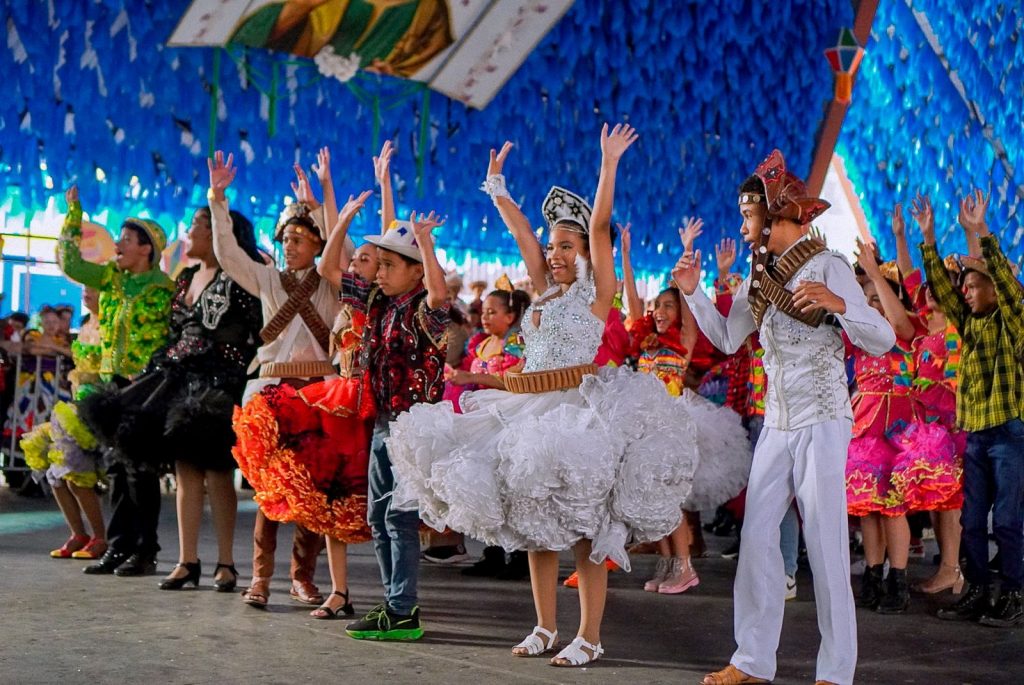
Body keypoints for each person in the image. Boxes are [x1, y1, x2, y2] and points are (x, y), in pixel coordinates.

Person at [386, 125, 701, 667]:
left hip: (577, 414)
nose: (554, 253)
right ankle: (544, 625)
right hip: (528, 409)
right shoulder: (545, 290)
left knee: (585, 529)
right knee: (536, 526)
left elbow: (600, 224)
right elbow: (521, 237)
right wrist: (497, 186)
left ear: (584, 254)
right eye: (551, 244)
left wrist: (607, 165)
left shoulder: (595, 293)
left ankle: (591, 634)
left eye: (566, 246)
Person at [675, 150, 895, 685]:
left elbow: (885, 339)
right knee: (755, 538)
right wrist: (694, 293)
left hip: (822, 416)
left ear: (780, 215)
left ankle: (836, 672)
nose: (745, 227)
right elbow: (728, 338)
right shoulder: (759, 278)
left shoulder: (828, 266)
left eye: (751, 216)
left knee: (823, 543)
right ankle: (752, 661)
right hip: (776, 420)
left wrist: (842, 307)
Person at [208, 151, 339, 609]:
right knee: (269, 487)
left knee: (313, 485)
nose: (291, 244)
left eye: (301, 238)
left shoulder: (332, 282)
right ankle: (261, 577)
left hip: (320, 390)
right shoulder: (266, 279)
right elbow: (227, 254)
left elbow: (338, 242)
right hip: (269, 388)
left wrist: (322, 194)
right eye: (286, 237)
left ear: (319, 243)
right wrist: (218, 200)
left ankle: (302, 576)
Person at [116, 204, 264, 592]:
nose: (189, 231)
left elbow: (258, 331)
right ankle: (187, 560)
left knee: (218, 472)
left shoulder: (240, 278)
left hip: (221, 383)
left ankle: (227, 563)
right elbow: (174, 331)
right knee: (185, 471)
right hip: (180, 380)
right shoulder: (183, 278)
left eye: (198, 224)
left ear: (219, 231)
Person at [337, 204, 451, 641]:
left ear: (415, 271)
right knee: (377, 516)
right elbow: (337, 270)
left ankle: (403, 608)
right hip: (383, 423)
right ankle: (393, 604)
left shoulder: (426, 309)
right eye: (378, 264)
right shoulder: (379, 305)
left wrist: (424, 242)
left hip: (413, 426)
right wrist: (343, 215)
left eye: (388, 265)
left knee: (399, 518)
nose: (378, 272)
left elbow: (440, 294)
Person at [621, 224, 750, 595]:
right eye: (656, 306)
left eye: (667, 305)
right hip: (643, 425)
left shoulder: (683, 341)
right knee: (650, 499)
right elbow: (632, 299)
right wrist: (627, 256)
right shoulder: (646, 340)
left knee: (668, 498)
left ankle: (684, 566)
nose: (659, 311)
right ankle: (667, 562)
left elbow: (689, 298)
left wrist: (688, 249)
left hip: (672, 424)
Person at [61, 185, 175, 577]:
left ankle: (145, 550)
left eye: (126, 240)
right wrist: (74, 215)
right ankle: (118, 546)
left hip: (149, 387)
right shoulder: (110, 278)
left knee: (140, 471)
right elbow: (71, 263)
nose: (119, 245)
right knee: (115, 470)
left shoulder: (165, 289)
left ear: (147, 248)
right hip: (113, 385)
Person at [925, 189, 1024, 628]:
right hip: (978, 434)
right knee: (970, 521)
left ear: (992, 288)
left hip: (1011, 432)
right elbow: (943, 294)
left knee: (1006, 519)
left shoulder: (1012, 320)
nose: (964, 292)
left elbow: (1004, 279)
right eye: (964, 285)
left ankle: (1014, 593)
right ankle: (980, 589)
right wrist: (928, 238)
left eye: (972, 284)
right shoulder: (969, 322)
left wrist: (980, 232)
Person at [888, 198, 965, 595]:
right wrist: (903, 235)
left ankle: (952, 568)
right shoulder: (922, 321)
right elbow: (909, 274)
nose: (930, 292)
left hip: (952, 423)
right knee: (937, 498)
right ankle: (950, 569)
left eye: (942, 287)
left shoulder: (956, 323)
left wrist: (929, 235)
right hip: (924, 423)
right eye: (928, 290)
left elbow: (921, 273)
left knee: (949, 499)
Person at [845, 242, 922, 614]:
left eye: (880, 298)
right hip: (865, 421)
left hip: (897, 424)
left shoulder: (906, 329)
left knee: (893, 507)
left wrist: (875, 274)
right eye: (868, 299)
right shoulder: (857, 337)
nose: (872, 305)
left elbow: (900, 324)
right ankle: (873, 575)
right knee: (867, 507)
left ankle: (899, 580)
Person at [20, 288, 106, 561]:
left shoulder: (111, 327)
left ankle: (100, 537)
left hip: (100, 404)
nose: (86, 294)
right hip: (76, 402)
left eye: (93, 289)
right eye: (84, 290)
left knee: (76, 476)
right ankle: (78, 533)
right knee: (55, 474)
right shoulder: (84, 327)